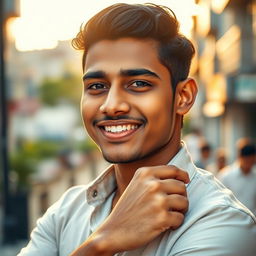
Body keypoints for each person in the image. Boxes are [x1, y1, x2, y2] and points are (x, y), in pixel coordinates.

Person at [18, 3, 256, 256]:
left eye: (138, 83)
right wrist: (104, 241)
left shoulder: (222, 224)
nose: (111, 106)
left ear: (183, 96)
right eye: (97, 86)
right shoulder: (65, 212)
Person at [218, 139, 256, 215]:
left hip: (252, 222)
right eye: (247, 161)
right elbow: (220, 201)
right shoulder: (226, 175)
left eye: (252, 162)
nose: (249, 165)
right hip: (231, 221)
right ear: (240, 157)